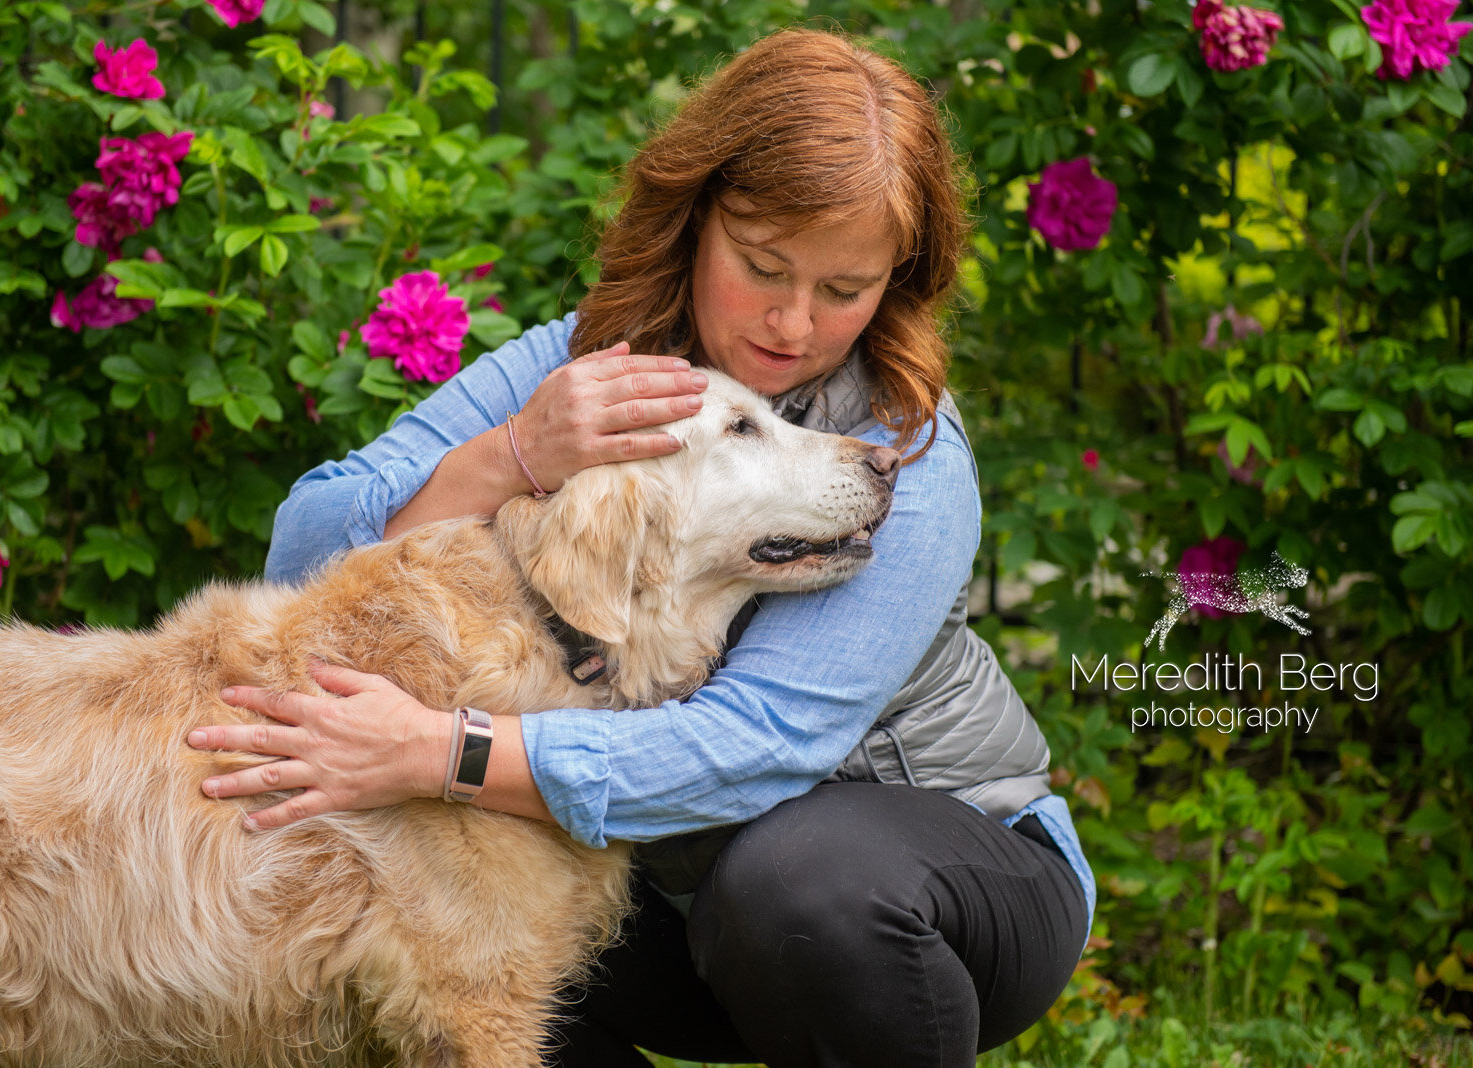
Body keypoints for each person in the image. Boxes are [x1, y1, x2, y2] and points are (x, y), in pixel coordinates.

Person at [187, 27, 1096, 1067]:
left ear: (898, 280)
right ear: (697, 218)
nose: (793, 323)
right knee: (452, 882)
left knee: (796, 881)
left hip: (936, 885)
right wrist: (515, 452)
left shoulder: (900, 449)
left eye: (845, 290)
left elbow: (762, 744)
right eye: (762, 267)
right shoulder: (584, 366)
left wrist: (446, 752)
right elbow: (302, 547)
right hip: (681, 897)